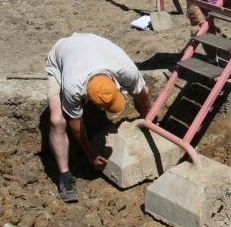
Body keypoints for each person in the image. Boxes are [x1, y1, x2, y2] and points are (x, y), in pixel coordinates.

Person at [45, 32, 151, 203]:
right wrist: (90, 153)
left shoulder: (125, 69)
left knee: (143, 93)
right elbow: (76, 125)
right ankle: (64, 176)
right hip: (61, 56)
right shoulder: (74, 86)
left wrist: (149, 117)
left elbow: (142, 94)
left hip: (92, 44)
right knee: (57, 121)